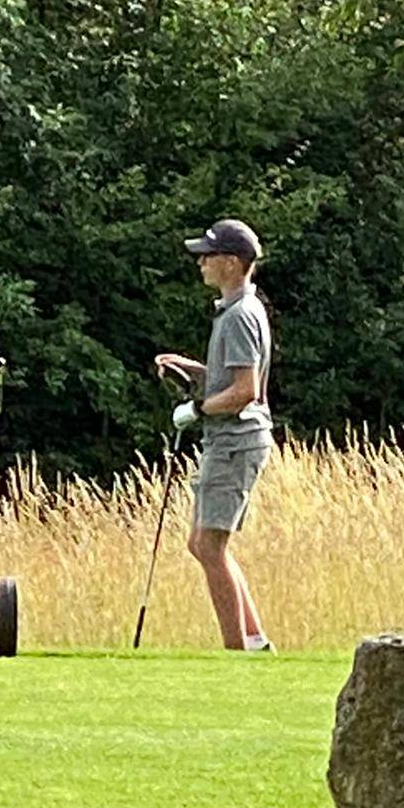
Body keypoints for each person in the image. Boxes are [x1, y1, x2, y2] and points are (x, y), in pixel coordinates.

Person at [155, 218, 275, 652]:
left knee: (209, 545)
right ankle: (255, 642)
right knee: (202, 544)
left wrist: (196, 409)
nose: (201, 263)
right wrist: (192, 370)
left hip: (235, 442)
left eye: (208, 256)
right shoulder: (238, 311)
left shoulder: (240, 316)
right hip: (230, 442)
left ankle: (236, 651)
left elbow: (246, 391)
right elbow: (231, 378)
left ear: (231, 262)